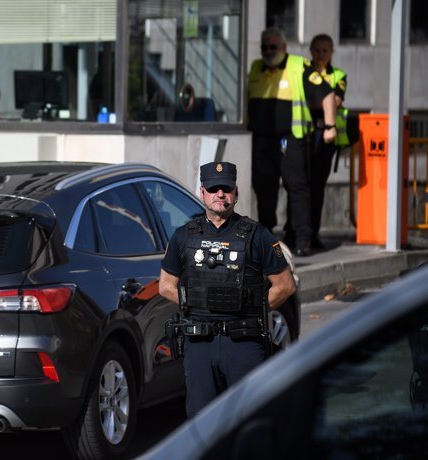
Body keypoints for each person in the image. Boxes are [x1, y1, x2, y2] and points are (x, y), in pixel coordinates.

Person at [159, 161, 297, 417]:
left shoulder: (259, 236)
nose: (219, 194)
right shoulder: (183, 236)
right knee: (202, 422)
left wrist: (250, 306)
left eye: (226, 188)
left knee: (248, 418)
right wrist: (198, 302)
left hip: (243, 341)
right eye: (213, 189)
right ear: (202, 193)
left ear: (236, 192)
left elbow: (285, 286)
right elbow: (166, 286)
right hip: (200, 343)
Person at [247, 27, 338, 256]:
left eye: (273, 47)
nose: (268, 52)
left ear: (284, 48)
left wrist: (330, 126)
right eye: (264, 47)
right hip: (263, 140)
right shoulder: (256, 68)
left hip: (290, 139)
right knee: (263, 188)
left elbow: (327, 95)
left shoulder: (299, 66)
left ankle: (302, 239)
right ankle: (266, 235)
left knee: (296, 187)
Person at [307, 33, 349, 249]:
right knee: (299, 186)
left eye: (325, 50)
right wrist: (325, 100)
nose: (321, 54)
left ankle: (313, 232)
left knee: (317, 187)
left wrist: (320, 99)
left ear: (331, 52)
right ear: (311, 51)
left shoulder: (339, 75)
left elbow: (336, 101)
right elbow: (326, 101)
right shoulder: (305, 70)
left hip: (326, 137)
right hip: (304, 135)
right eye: (317, 50)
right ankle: (296, 231)